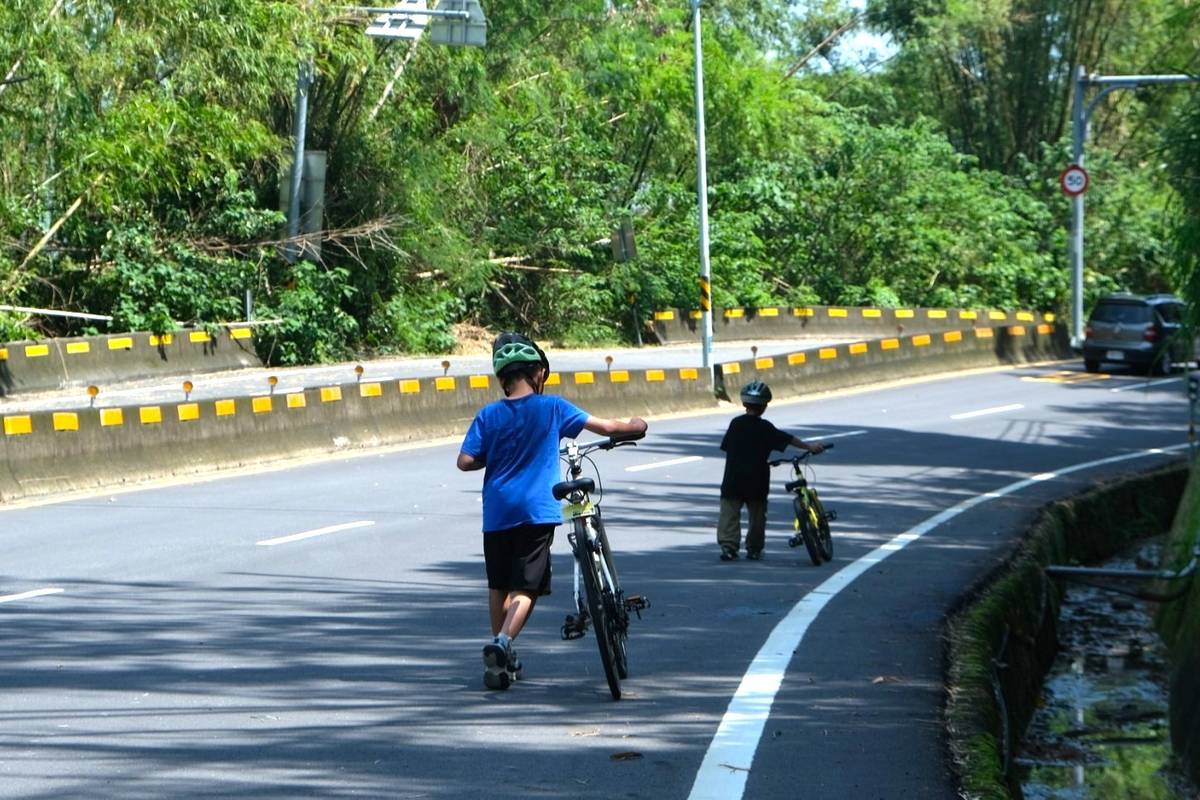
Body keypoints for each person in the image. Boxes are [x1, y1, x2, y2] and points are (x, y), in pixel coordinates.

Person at [456, 332, 648, 690]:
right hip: (535, 511)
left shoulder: (488, 415)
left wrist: (494, 455)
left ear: (502, 378)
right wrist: (637, 425)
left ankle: (500, 663)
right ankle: (503, 642)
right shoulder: (553, 407)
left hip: (497, 511)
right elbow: (607, 427)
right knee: (526, 587)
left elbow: (465, 461)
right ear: (537, 373)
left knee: (499, 585)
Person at [717, 380, 825, 561]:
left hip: (733, 478)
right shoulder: (765, 427)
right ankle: (754, 549)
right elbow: (788, 439)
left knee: (729, 514)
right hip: (756, 479)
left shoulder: (735, 424)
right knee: (757, 516)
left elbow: (726, 447)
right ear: (764, 407)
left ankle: (728, 547)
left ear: (744, 403)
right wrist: (810, 447)